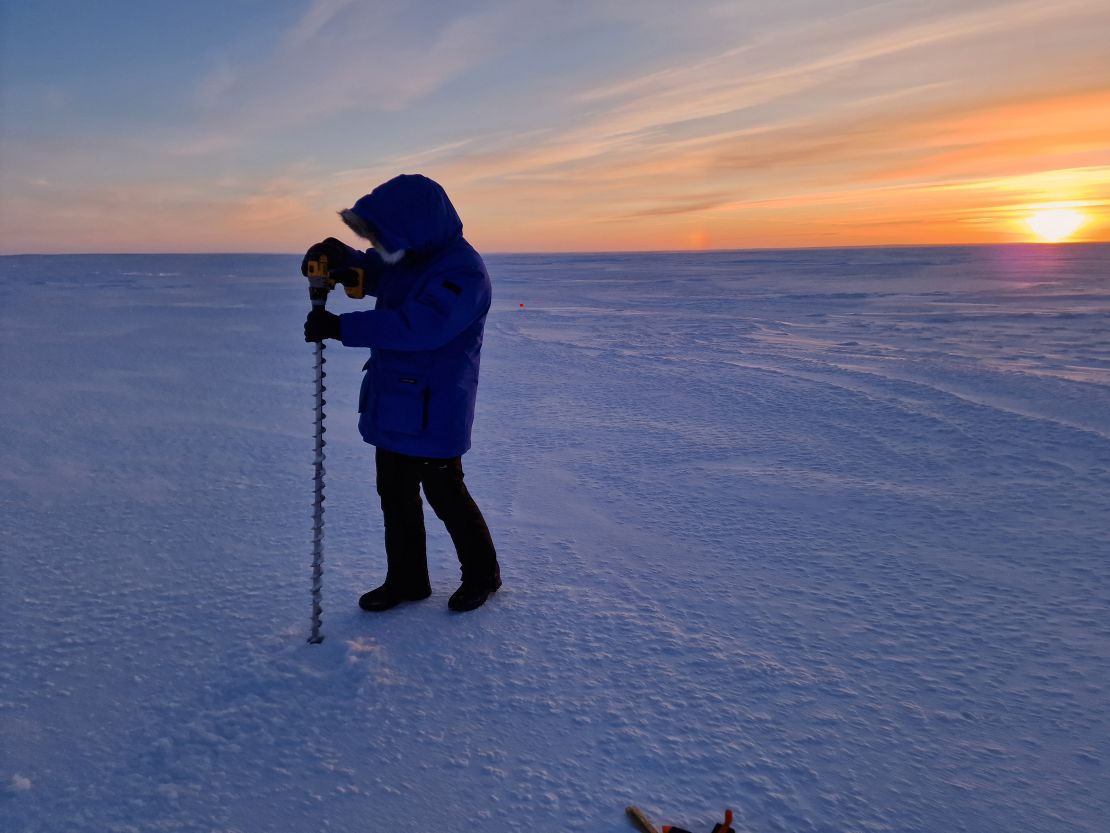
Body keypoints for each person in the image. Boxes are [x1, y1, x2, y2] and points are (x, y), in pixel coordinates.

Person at [301, 174, 500, 613]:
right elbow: (376, 269)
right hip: (394, 403)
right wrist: (338, 258)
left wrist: (341, 327)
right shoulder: (411, 258)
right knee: (395, 495)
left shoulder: (461, 271)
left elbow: (421, 326)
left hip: (435, 407)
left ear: (415, 228)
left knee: (447, 496)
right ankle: (407, 579)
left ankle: (483, 575)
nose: (379, 243)